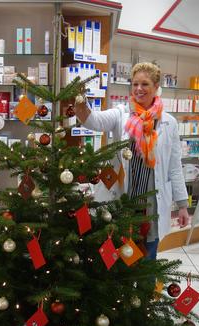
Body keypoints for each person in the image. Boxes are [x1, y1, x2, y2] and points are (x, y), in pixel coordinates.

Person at [75, 62, 189, 260]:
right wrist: (80, 102)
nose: (138, 89)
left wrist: (182, 204)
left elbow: (174, 166)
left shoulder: (168, 123)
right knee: (121, 255)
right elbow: (93, 120)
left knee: (147, 257)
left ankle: (145, 291)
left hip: (151, 203)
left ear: (156, 87)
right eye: (135, 84)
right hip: (124, 200)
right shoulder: (121, 115)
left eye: (144, 84)